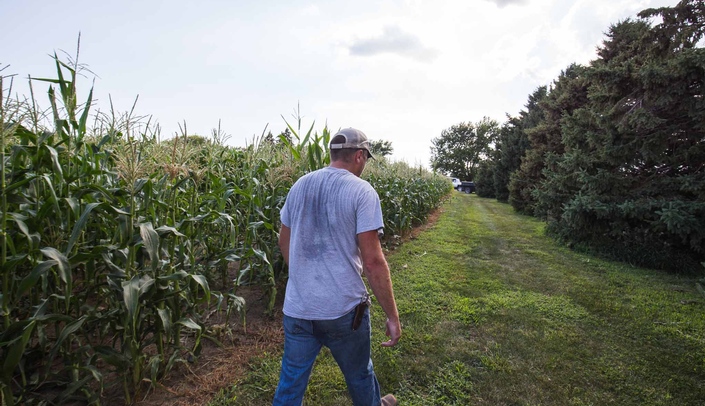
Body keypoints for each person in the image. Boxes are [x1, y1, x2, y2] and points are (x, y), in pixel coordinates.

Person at [273, 128, 402, 406]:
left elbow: (284, 239)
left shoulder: (300, 185)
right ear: (359, 156)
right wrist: (392, 316)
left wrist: (302, 277)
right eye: (366, 158)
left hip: (298, 308)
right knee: (359, 375)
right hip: (343, 311)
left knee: (291, 379)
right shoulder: (361, 191)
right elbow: (373, 261)